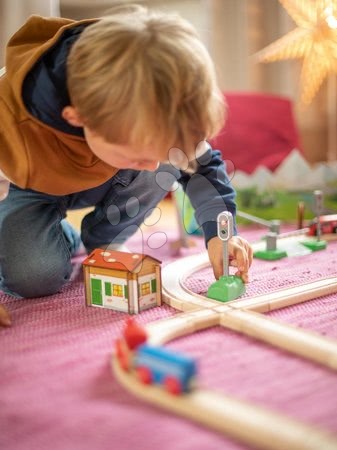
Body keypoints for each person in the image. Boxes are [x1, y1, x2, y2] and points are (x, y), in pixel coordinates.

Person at [0, 4, 253, 327]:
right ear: (78, 119)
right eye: (138, 155)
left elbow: (203, 168)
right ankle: (56, 235)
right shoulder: (11, 120)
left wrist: (221, 234)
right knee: (34, 278)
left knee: (162, 168)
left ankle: (101, 242)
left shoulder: (157, 117)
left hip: (103, 178)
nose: (151, 167)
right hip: (26, 185)